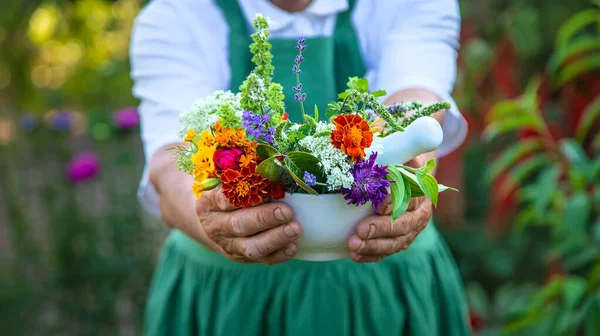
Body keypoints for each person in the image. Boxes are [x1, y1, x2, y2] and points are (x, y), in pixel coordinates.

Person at [130, 0, 470, 335]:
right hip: (230, 301)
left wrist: (406, 168)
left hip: (386, 293)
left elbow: (416, 96)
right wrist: (217, 219)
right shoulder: (176, 15)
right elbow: (170, 162)